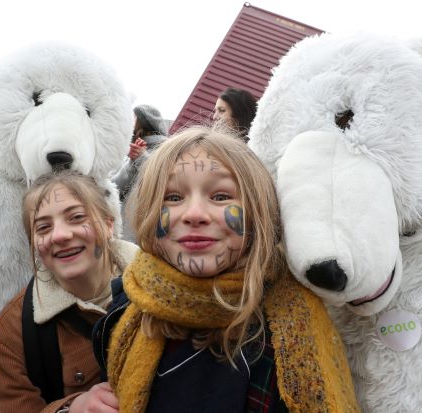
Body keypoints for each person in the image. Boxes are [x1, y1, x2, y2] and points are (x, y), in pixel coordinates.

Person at [93, 126, 360, 412]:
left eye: (220, 197)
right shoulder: (124, 305)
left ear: (257, 212)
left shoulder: (286, 344)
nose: (194, 214)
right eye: (172, 197)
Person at [0, 170, 138, 413]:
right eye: (43, 227)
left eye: (77, 217)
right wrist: (69, 409)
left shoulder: (167, 292)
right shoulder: (12, 331)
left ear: (109, 224)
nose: (59, 235)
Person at [112, 104, 167, 241]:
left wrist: (142, 159)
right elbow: (116, 189)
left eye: (133, 118)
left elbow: (160, 181)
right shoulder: (132, 151)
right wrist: (132, 162)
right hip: (119, 229)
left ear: (143, 123)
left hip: (139, 233)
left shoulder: (165, 152)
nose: (129, 122)